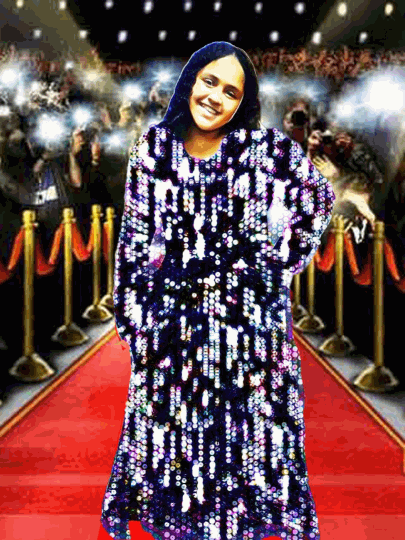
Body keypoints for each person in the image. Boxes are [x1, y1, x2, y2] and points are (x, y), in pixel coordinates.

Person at [101, 41, 335, 540]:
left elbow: (318, 198)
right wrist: (136, 325)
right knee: (177, 447)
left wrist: (277, 261)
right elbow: (134, 243)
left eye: (232, 91)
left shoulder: (266, 148)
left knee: (250, 440)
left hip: (250, 331)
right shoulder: (153, 148)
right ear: (190, 80)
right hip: (174, 329)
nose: (216, 97)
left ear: (243, 102)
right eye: (209, 81)